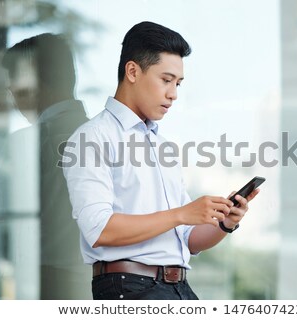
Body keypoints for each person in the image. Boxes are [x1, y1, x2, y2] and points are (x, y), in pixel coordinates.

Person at [62, 21, 260, 300]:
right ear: (132, 71)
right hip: (128, 288)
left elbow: (189, 240)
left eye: (177, 83)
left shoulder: (161, 145)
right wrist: (181, 214)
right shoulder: (92, 138)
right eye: (166, 80)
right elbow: (98, 229)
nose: (173, 94)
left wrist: (224, 224)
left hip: (177, 287)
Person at [1, 33, 91, 299]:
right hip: (100, 283)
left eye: (13, 83)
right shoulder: (110, 138)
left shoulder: (27, 143)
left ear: (34, 82)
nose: (11, 94)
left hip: (44, 283)